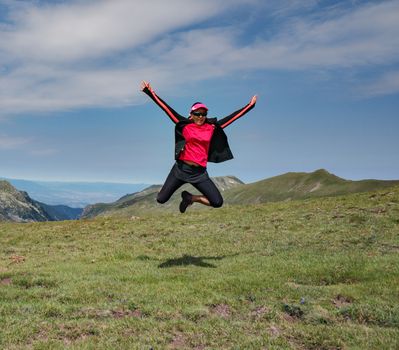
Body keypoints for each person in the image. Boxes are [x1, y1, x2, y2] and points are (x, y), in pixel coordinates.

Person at [141, 81, 257, 213]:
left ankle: (191, 198)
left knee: (217, 202)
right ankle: (169, 190)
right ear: (191, 114)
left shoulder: (211, 128)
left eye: (203, 114)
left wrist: (250, 106)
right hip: (180, 170)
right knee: (161, 199)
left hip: (199, 173)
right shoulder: (184, 125)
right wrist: (149, 92)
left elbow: (232, 118)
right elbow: (166, 108)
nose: (201, 117)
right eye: (198, 114)